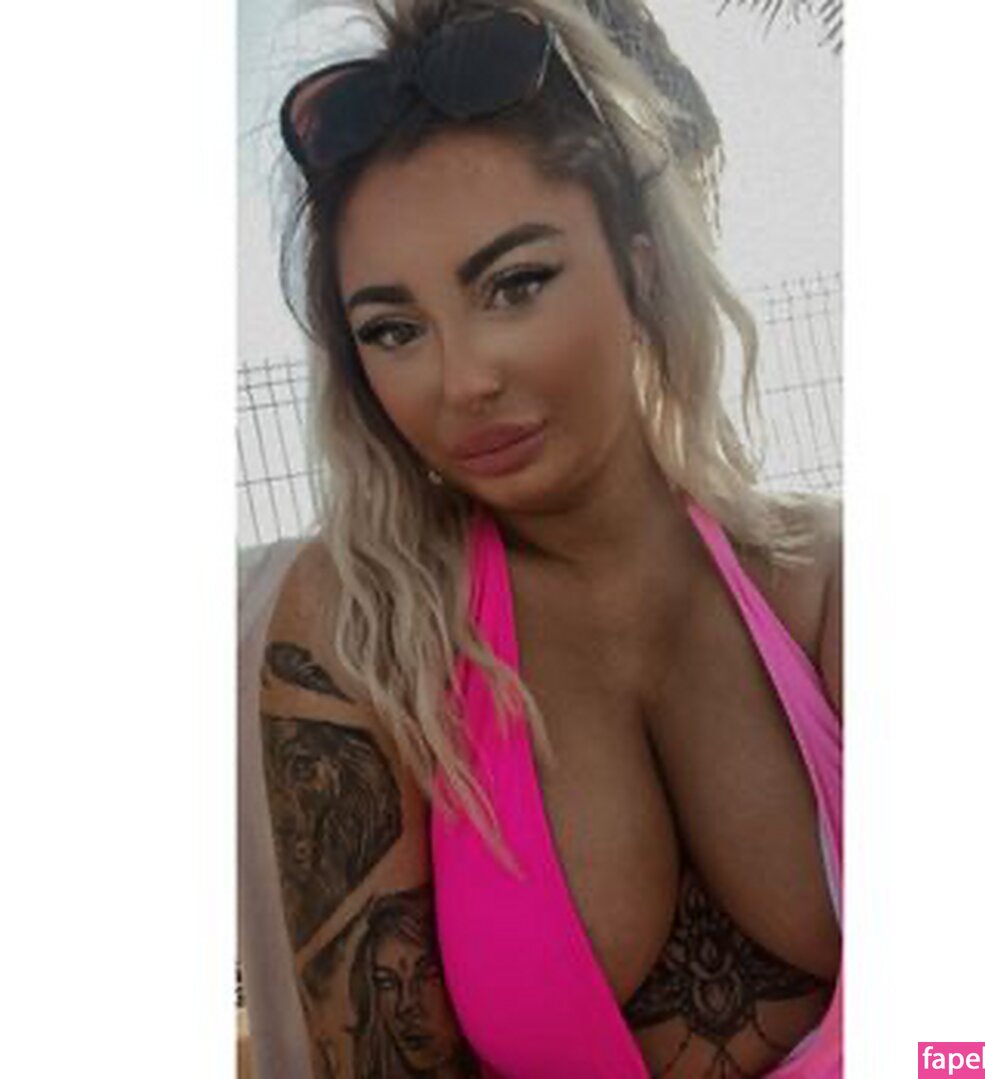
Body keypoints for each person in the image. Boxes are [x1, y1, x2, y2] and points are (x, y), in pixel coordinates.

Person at [252, 0, 843, 1075]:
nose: (464, 378)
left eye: (515, 283)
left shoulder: (828, 582)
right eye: (394, 329)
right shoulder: (369, 638)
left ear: (641, 266)